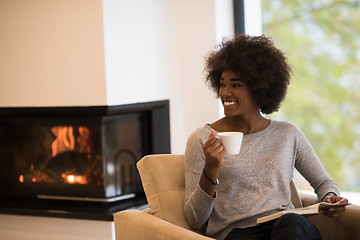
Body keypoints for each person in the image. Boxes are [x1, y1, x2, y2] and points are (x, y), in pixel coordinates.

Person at [184, 34, 348, 240]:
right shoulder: (202, 139)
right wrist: (211, 169)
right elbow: (195, 219)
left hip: (288, 228)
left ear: (259, 88)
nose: (225, 93)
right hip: (240, 234)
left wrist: (330, 198)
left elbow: (324, 182)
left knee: (292, 223)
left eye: (235, 85)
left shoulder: (288, 134)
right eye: (222, 84)